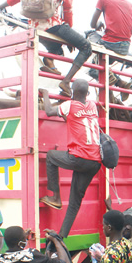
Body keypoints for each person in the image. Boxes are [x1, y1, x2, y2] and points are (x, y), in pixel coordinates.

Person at [40, 83, 102, 238]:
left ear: (73, 91)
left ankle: (55, 196)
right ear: (88, 93)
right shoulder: (93, 106)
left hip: (79, 157)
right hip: (95, 161)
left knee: (51, 156)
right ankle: (61, 236)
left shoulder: (69, 105)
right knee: (75, 202)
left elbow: (48, 111)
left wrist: (45, 93)